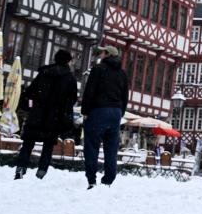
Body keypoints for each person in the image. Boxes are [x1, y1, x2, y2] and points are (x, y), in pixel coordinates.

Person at [14, 49, 78, 180]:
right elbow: (71, 100)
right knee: (48, 146)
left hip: (37, 114)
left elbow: (30, 93)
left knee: (28, 143)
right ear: (67, 61)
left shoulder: (44, 73)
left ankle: (21, 167)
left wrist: (31, 107)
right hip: (54, 117)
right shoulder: (70, 78)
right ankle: (42, 171)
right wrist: (64, 116)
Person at [81, 45, 128, 190]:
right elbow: (125, 95)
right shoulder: (122, 73)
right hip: (116, 112)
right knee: (111, 148)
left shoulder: (98, 69)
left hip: (99, 110)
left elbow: (90, 90)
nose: (100, 54)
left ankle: (91, 180)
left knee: (91, 146)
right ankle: (108, 179)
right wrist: (121, 112)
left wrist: (85, 111)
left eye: (102, 52)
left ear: (107, 54)